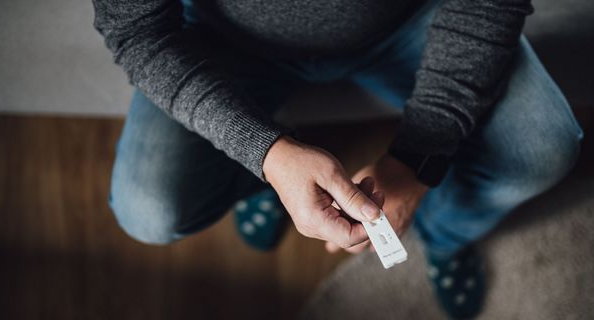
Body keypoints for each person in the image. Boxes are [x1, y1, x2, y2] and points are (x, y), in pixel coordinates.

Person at [93, 0, 583, 318]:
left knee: (544, 147)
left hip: (413, 18)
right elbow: (137, 30)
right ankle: (272, 178)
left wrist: (418, 158)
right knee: (148, 211)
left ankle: (444, 235)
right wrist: (262, 153)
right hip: (225, 38)